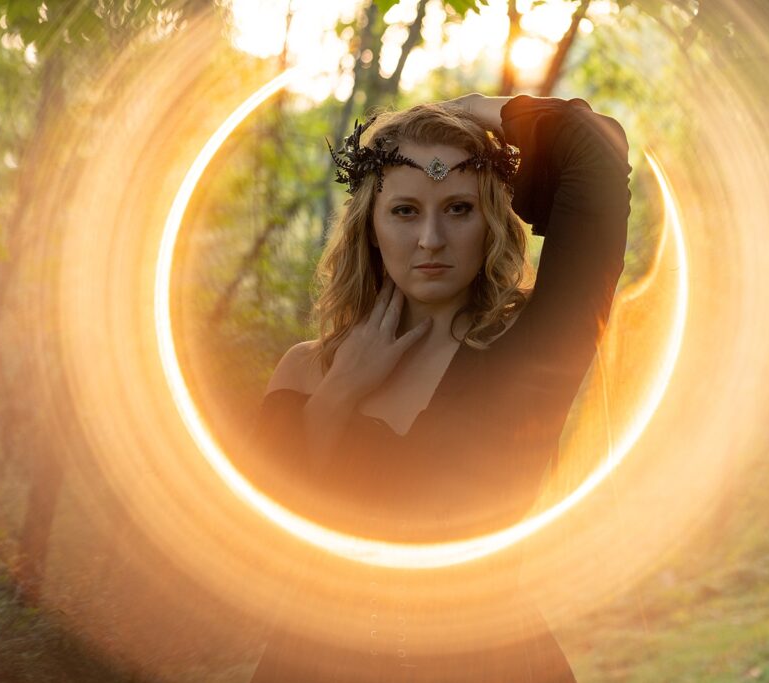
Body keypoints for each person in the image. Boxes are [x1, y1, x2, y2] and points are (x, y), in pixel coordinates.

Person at [246, 92, 631, 682]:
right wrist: (338, 395)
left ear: (491, 223)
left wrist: (472, 107)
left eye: (457, 208)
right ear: (371, 226)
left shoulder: (528, 357)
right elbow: (266, 552)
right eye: (404, 211)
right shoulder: (304, 371)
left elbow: (598, 151)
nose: (430, 238)